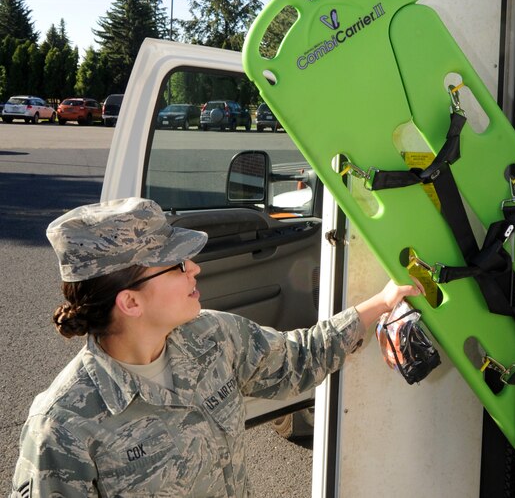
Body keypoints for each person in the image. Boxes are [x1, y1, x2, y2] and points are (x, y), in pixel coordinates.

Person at [10, 197, 423, 497]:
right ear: (130, 302)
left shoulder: (212, 337)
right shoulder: (63, 426)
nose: (195, 268)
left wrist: (380, 304)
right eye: (176, 265)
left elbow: (298, 359)